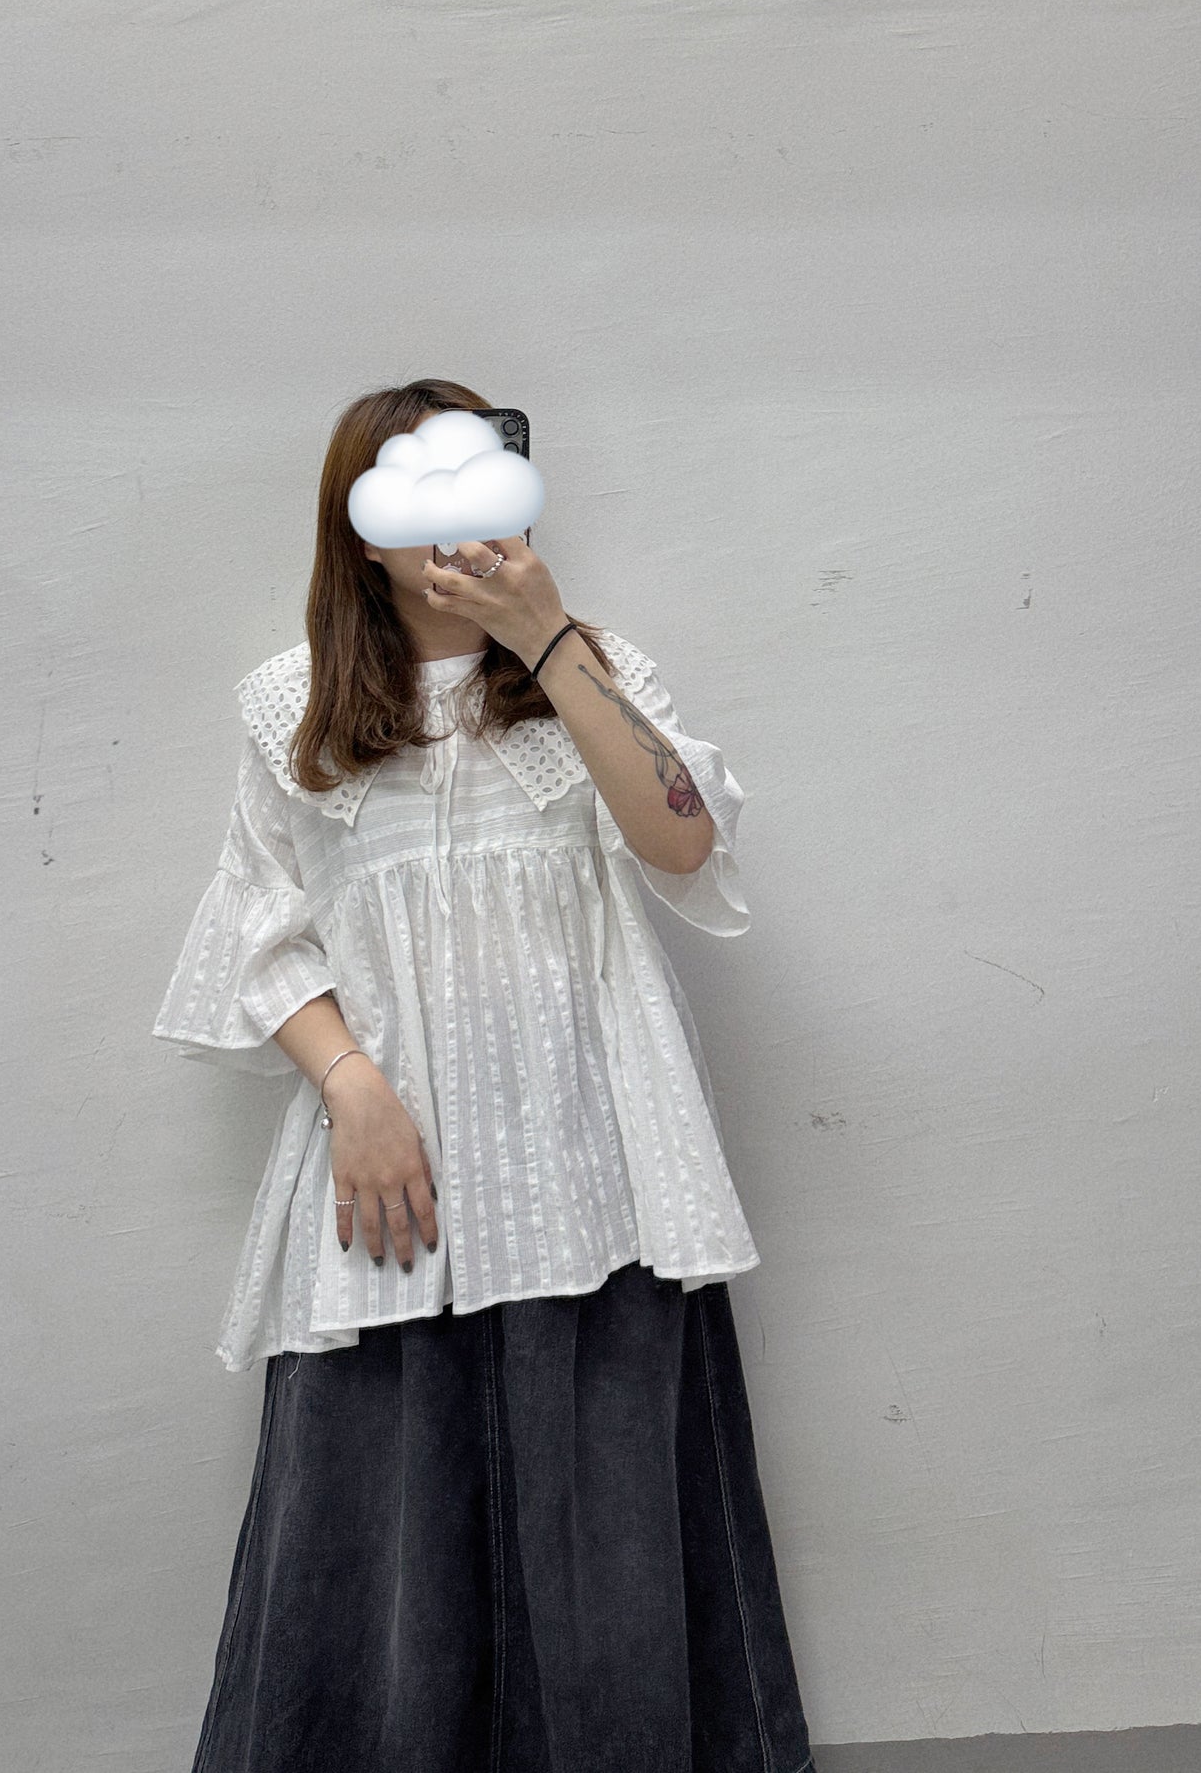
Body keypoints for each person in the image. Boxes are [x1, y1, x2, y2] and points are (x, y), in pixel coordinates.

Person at [153, 379, 815, 1773]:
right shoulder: (291, 705)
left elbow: (684, 844)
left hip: (598, 1174)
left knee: (607, 1532)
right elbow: (260, 929)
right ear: (360, 523)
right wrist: (353, 1089)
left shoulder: (593, 669)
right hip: (393, 1186)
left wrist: (550, 639)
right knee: (378, 1538)